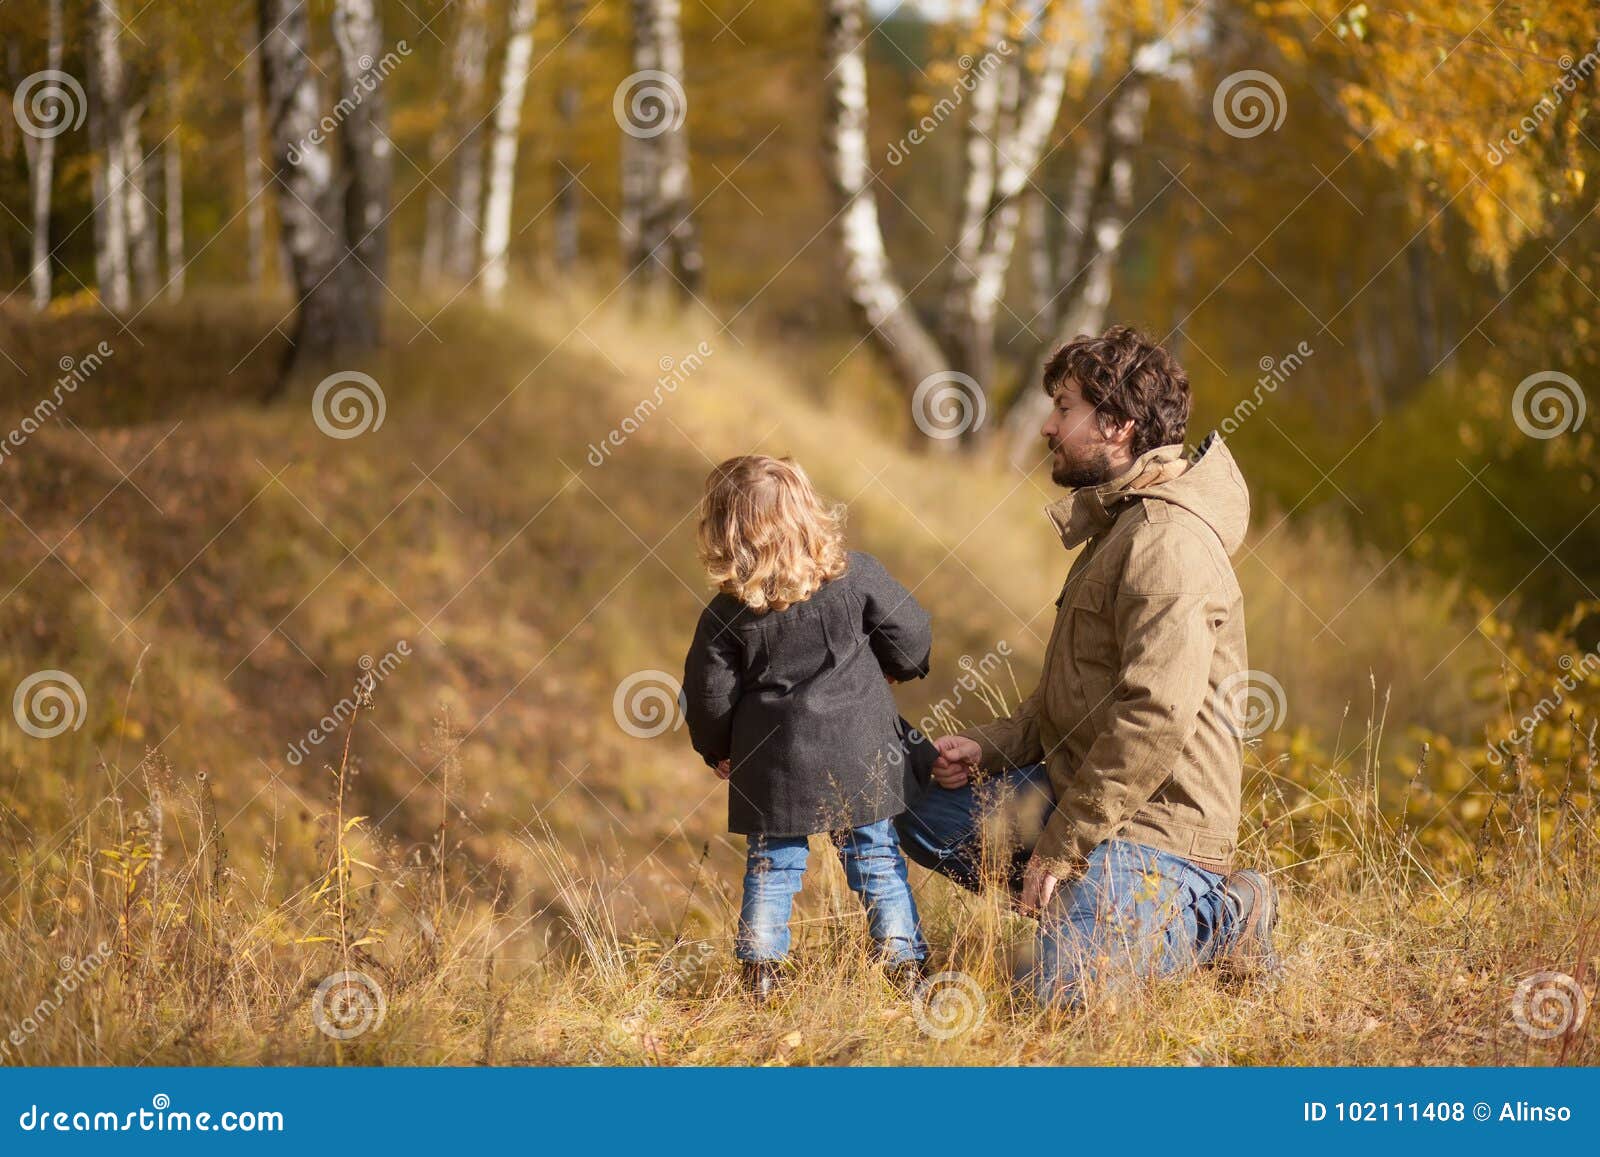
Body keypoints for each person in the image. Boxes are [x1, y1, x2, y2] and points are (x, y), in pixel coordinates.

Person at [897, 325, 1282, 1007]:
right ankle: (1083, 904)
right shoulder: (1120, 526)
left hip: (1157, 830)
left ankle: (1224, 915)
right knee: (915, 803)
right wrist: (984, 749)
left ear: (1117, 425)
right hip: (1079, 795)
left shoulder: (1167, 544)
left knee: (1058, 991)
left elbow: (1152, 717)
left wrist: (1061, 846)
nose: (1048, 426)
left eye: (1064, 408)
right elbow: (1072, 699)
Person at [682, 455, 934, 1002]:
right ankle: (905, 967)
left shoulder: (726, 614)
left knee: (772, 866)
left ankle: (761, 974)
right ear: (809, 514)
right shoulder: (856, 575)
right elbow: (911, 629)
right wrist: (900, 666)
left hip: (775, 764)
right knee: (875, 859)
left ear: (727, 532)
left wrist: (718, 749)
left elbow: (707, 695)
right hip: (862, 754)